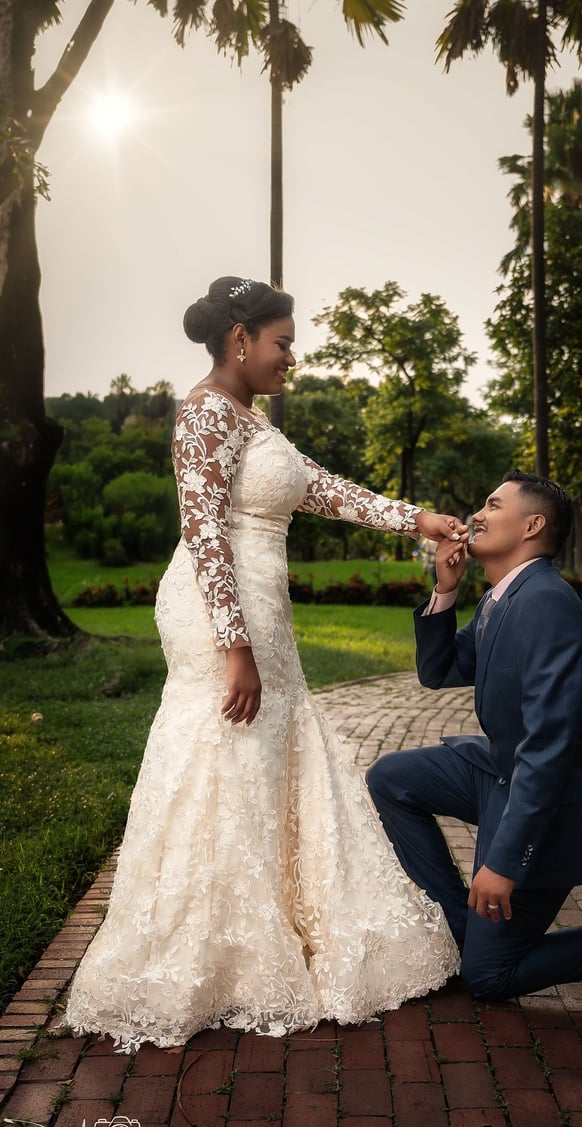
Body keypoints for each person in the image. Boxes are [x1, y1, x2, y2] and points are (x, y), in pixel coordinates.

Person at [64, 277, 462, 1053]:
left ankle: (274, 922)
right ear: (240, 338)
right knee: (228, 747)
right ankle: (216, 952)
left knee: (269, 750)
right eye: (283, 340)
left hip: (261, 605)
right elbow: (205, 531)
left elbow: (321, 489)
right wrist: (234, 648)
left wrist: (417, 519)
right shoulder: (205, 412)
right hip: (221, 609)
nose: (292, 355)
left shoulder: (251, 417)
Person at [366, 470, 582, 1004]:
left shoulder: (547, 604)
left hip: (553, 802)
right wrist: (445, 590)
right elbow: (440, 669)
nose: (476, 515)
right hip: (499, 772)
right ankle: (464, 929)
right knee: (392, 779)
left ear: (532, 525)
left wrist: (504, 862)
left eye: (492, 504)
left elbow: (548, 749)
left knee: (489, 978)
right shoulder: (504, 596)